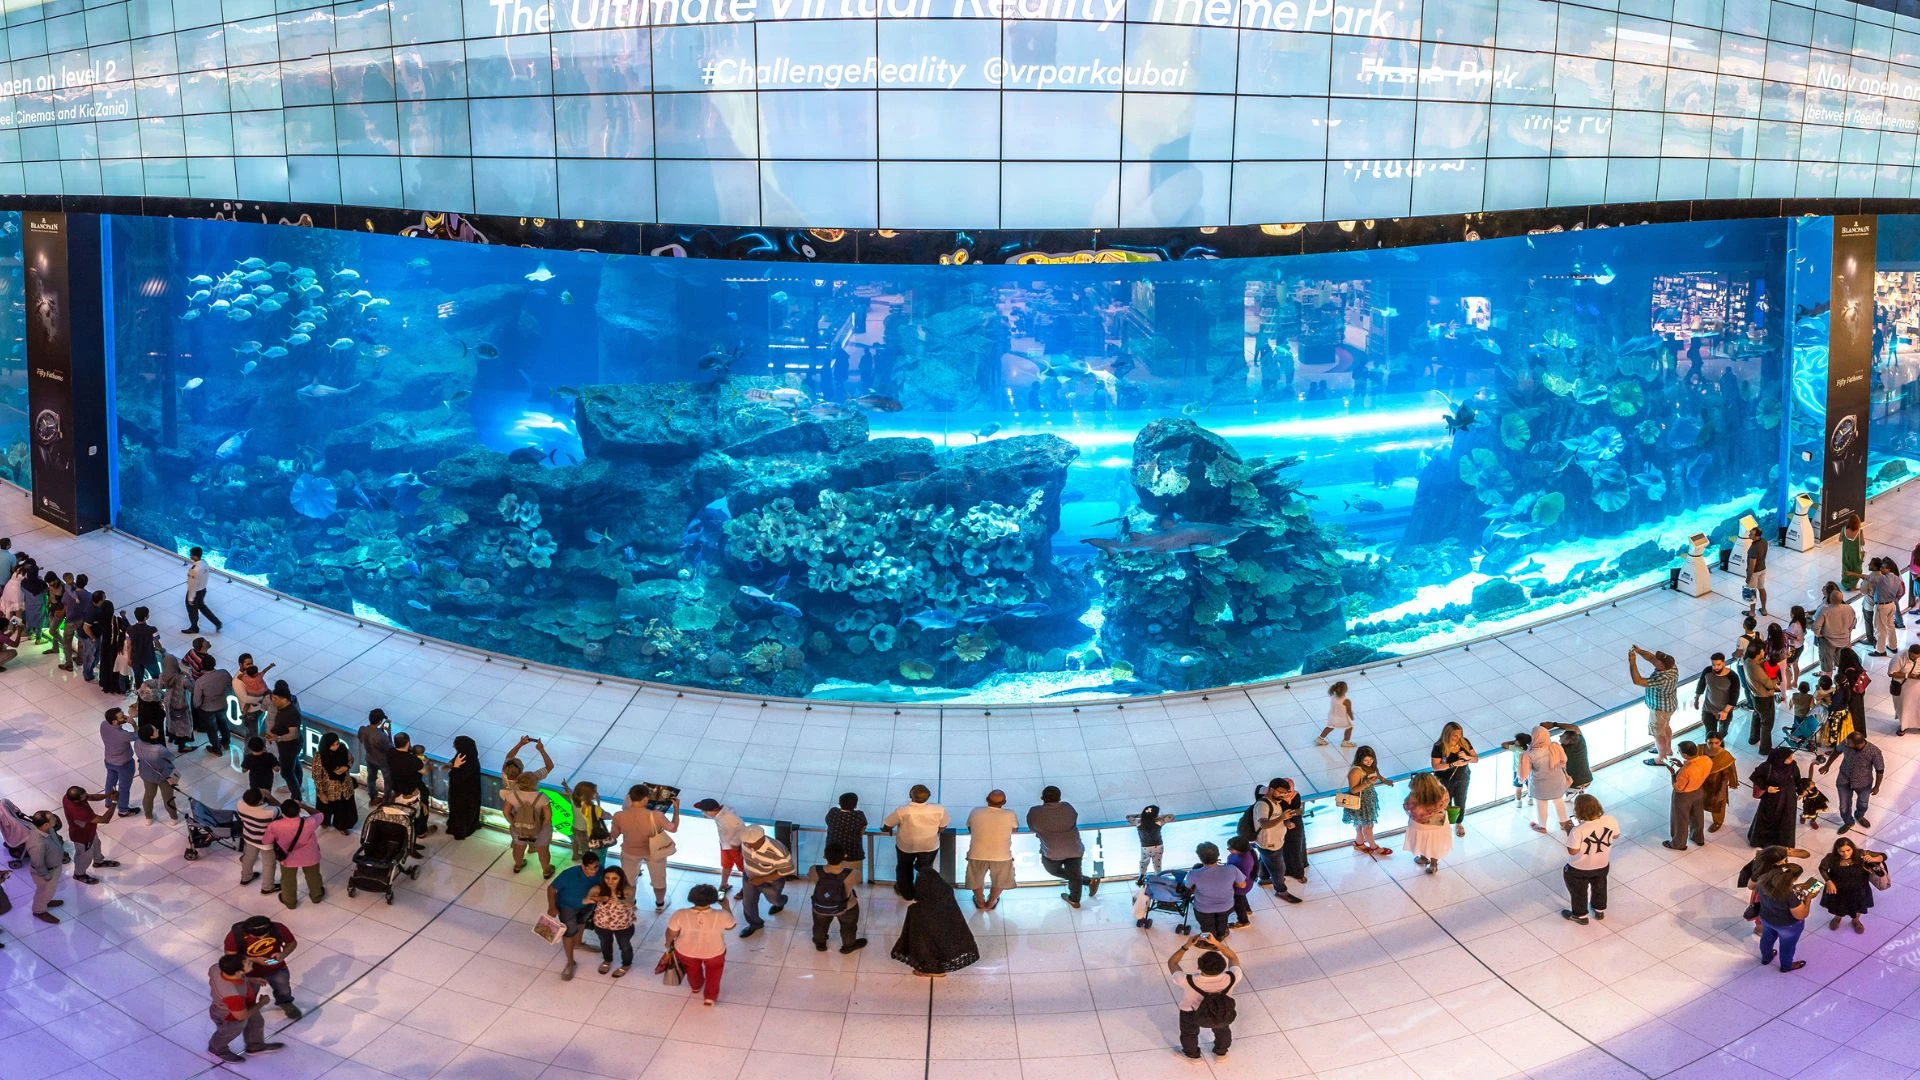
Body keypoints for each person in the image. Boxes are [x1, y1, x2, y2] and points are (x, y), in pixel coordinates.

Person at [890, 869, 978, 976]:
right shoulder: (948, 902)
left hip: (928, 949)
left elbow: (912, 935)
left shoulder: (917, 910)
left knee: (920, 938)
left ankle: (930, 970)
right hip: (951, 947)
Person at [1167, 934, 1241, 1060]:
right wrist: (1217, 943)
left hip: (1191, 1012)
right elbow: (1233, 957)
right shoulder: (1233, 977)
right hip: (1221, 1011)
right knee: (1222, 1030)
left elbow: (1172, 962)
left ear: (1198, 967)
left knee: (1189, 1033)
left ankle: (1193, 1055)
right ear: (1224, 966)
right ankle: (1221, 1052)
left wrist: (1187, 945)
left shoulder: (1187, 980)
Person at [608, 785, 679, 909]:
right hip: (654, 852)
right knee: (659, 880)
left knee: (629, 881)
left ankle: (630, 904)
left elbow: (613, 835)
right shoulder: (656, 815)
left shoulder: (619, 816)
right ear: (646, 799)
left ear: (629, 797)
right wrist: (676, 809)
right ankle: (660, 904)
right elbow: (673, 828)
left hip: (629, 852)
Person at [207, 953, 285, 1063]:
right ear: (238, 972)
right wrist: (262, 1003)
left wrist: (250, 979)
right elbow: (241, 1016)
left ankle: (255, 1046)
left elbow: (227, 977)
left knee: (256, 1022)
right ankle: (217, 1049)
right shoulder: (233, 994)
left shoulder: (217, 968)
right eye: (248, 964)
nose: (251, 963)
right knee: (228, 1033)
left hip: (243, 1006)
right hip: (230, 1017)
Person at [665, 884, 734, 1005]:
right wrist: (726, 906)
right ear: (714, 898)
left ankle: (696, 986)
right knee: (714, 973)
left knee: (692, 969)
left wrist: (668, 942)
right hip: (714, 952)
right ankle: (710, 997)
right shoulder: (722, 915)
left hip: (685, 950)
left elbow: (671, 932)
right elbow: (730, 926)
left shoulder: (680, 914)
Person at [223, 914, 304, 1019]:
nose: (261, 938)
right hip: (249, 970)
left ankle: (285, 1003)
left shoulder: (278, 928)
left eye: (264, 935)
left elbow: (292, 943)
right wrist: (254, 959)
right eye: (256, 937)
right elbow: (230, 955)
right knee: (249, 992)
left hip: (274, 965)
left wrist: (282, 955)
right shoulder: (236, 934)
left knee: (283, 987)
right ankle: (249, 1010)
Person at [500, 735, 556, 878]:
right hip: (538, 827)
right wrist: (541, 750)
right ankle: (546, 870)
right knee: (543, 849)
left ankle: (518, 865)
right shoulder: (536, 787)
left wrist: (514, 823)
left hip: (519, 824)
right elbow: (550, 766)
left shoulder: (507, 779)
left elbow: (506, 812)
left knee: (518, 846)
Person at [880, 784, 948, 901]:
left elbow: (887, 825)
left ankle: (906, 893)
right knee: (926, 869)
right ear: (928, 796)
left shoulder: (902, 811)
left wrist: (886, 830)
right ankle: (923, 892)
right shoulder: (939, 809)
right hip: (930, 846)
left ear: (911, 795)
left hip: (906, 847)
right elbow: (943, 827)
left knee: (904, 869)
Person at [1028, 785, 1092, 908]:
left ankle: (1086, 881)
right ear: (1060, 797)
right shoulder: (1068, 808)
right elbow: (1073, 820)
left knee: (1052, 870)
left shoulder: (1034, 812)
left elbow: (1032, 827)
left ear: (1042, 797)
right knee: (1075, 873)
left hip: (1052, 852)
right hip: (1074, 848)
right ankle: (1075, 898)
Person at [1562, 793, 1619, 925]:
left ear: (1578, 811)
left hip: (1579, 868)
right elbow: (1616, 835)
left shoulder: (1577, 830)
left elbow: (1573, 851)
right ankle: (1599, 909)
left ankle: (1580, 915)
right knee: (1600, 886)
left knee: (1579, 891)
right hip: (1602, 864)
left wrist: (1568, 831)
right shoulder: (1610, 820)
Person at [546, 850, 603, 981]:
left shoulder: (600, 872)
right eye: (592, 868)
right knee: (569, 932)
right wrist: (552, 906)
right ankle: (570, 962)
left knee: (582, 922)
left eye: (597, 866)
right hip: (567, 907)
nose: (595, 870)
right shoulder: (569, 874)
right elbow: (551, 888)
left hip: (588, 905)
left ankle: (579, 943)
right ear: (583, 866)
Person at [1819, 729, 1886, 834]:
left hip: (1863, 782)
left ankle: (1859, 816)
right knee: (1844, 806)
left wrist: (1877, 786)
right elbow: (1836, 751)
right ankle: (1848, 822)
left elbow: (1880, 770)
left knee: (1863, 804)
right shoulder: (1846, 744)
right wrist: (1827, 765)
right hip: (1844, 780)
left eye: (1849, 743)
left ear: (1858, 744)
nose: (1846, 744)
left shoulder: (1874, 752)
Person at [1250, 781, 1305, 903]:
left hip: (1276, 841)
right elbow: (1264, 824)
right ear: (1270, 789)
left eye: (1284, 793)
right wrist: (1282, 818)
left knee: (1266, 861)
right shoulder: (1263, 805)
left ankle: (1263, 879)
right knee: (1279, 869)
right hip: (1268, 843)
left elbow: (1280, 818)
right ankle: (1281, 891)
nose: (1282, 795)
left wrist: (1287, 823)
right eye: (1280, 792)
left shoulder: (1278, 803)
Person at [263, 799, 324, 908]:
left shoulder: (275, 825)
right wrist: (303, 805)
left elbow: (266, 841)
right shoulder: (310, 822)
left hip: (288, 858)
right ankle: (316, 896)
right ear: (299, 811)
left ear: (282, 812)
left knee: (287, 880)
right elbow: (319, 814)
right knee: (313, 876)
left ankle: (290, 902)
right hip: (310, 856)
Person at [809, 842, 868, 953]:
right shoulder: (853, 873)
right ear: (844, 856)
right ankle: (848, 945)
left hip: (820, 905)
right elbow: (857, 881)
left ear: (825, 856)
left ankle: (820, 943)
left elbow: (812, 879)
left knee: (819, 924)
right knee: (848, 926)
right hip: (846, 906)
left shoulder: (814, 870)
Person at [1819, 837, 1886, 934]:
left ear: (1852, 848)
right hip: (1839, 889)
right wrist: (1828, 881)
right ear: (1836, 850)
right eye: (1842, 851)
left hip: (1859, 888)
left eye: (1848, 850)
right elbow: (1822, 868)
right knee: (1838, 905)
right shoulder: (1831, 858)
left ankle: (1855, 920)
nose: (1846, 854)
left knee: (1858, 906)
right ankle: (1838, 918)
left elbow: (1883, 856)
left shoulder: (1861, 854)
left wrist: (1873, 858)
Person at [1754, 864, 1814, 972]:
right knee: (1787, 946)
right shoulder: (1789, 896)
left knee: (1766, 938)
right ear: (1793, 879)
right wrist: (1808, 898)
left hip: (1766, 918)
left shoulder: (1762, 883)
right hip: (1787, 926)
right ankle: (1786, 966)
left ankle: (1766, 958)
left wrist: (1794, 887)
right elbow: (1801, 915)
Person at [737, 824, 794, 936]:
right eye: (745, 842)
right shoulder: (746, 842)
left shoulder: (778, 851)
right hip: (749, 878)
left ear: (762, 839)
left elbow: (787, 871)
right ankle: (755, 924)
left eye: (750, 844)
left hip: (771, 882)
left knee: (774, 900)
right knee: (748, 903)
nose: (747, 845)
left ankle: (780, 902)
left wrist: (762, 879)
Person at [964, 789, 1017, 909]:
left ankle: (980, 901)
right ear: (1004, 802)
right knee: (1000, 880)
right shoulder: (1010, 814)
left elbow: (970, 828)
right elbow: (1014, 830)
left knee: (976, 879)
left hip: (976, 853)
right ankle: (992, 901)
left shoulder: (976, 811)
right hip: (1002, 855)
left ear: (987, 799)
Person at [1629, 645, 1680, 762]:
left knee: (1658, 733)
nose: (1654, 658)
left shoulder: (1663, 678)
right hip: (1669, 705)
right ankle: (1667, 749)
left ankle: (1661, 758)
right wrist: (1639, 651)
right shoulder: (1672, 667)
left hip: (1659, 710)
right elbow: (1651, 658)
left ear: (1661, 665)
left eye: (1658, 659)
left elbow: (1638, 681)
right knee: (1666, 726)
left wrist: (1632, 662)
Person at [1518, 723, 1572, 834]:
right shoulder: (1555, 746)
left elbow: (1524, 773)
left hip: (1541, 785)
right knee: (1558, 800)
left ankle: (1542, 826)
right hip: (1558, 781)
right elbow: (1564, 760)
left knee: (1541, 803)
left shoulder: (1529, 754)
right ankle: (1564, 822)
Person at [586, 864, 638, 977]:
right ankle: (607, 960)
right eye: (607, 878)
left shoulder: (628, 889)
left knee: (624, 946)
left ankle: (626, 964)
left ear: (621, 878)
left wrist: (620, 900)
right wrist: (601, 898)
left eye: (614, 878)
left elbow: (630, 902)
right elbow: (587, 899)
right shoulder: (598, 889)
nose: (610, 881)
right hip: (602, 924)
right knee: (605, 943)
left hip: (622, 925)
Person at [1186, 842, 1245, 939]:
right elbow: (1242, 885)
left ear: (1200, 858)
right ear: (1218, 855)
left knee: (1206, 927)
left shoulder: (1193, 874)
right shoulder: (1232, 869)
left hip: (1203, 909)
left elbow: (1188, 888)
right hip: (1226, 906)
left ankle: (1209, 942)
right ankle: (1221, 935)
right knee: (1222, 922)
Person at [61, 786, 118, 884]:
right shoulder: (78, 811)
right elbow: (105, 819)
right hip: (82, 837)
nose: (86, 796)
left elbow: (91, 797)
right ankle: (79, 874)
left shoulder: (68, 797)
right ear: (76, 801)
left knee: (96, 844)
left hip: (89, 830)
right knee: (84, 856)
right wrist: (114, 802)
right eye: (83, 796)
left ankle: (98, 862)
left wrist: (108, 795)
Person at [1430, 722, 1478, 837]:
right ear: (1447, 735)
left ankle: (1458, 823)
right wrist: (1453, 764)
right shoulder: (1439, 746)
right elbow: (1435, 766)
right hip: (1445, 779)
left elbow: (1476, 759)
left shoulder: (1464, 742)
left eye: (1460, 734)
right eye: (1455, 735)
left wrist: (1467, 758)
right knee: (1443, 803)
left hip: (1463, 777)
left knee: (1461, 801)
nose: (1458, 737)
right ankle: (1442, 826)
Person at [1749, 748, 1802, 848]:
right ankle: (1762, 842)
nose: (1791, 759)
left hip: (1788, 799)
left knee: (1786, 821)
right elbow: (1756, 777)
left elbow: (1797, 779)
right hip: (1772, 799)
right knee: (1767, 820)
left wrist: (1801, 790)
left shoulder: (1792, 766)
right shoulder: (1767, 767)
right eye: (1789, 757)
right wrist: (1766, 787)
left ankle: (1782, 844)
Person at [1344, 747, 1393, 855]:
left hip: (1368, 799)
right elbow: (1353, 789)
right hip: (1361, 802)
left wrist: (1385, 781)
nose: (1369, 762)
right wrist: (1367, 783)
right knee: (1368, 827)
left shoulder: (1372, 767)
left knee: (1360, 825)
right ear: (1360, 759)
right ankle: (1375, 847)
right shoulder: (1356, 770)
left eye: (1371, 759)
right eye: (1366, 760)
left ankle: (1359, 844)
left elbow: (1378, 775)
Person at [1662, 740, 1710, 851]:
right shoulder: (1706, 760)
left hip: (1683, 797)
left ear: (1685, 755)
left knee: (1681, 820)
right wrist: (1682, 764)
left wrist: (1673, 773)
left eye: (1679, 752)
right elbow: (1696, 768)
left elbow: (1678, 787)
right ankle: (1698, 838)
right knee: (1698, 816)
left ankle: (1678, 844)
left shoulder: (1686, 771)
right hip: (1698, 791)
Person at [693, 798, 746, 897]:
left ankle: (746, 889)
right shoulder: (718, 814)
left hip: (735, 848)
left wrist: (735, 844)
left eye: (703, 811)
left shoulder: (730, 817)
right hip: (725, 845)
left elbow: (742, 829)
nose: (703, 813)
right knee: (726, 866)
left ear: (711, 810)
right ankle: (723, 885)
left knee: (744, 870)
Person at [1403, 772, 1452, 873]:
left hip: (1419, 825)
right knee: (1435, 843)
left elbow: (1407, 807)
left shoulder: (1413, 795)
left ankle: (1423, 858)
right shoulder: (1442, 790)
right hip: (1438, 823)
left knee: (1422, 841)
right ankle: (1433, 865)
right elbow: (1446, 802)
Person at [310, 733, 358, 833]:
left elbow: (350, 759)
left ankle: (342, 826)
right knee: (326, 806)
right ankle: (325, 821)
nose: (336, 746)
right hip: (329, 788)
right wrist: (321, 792)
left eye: (337, 743)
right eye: (333, 745)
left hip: (344, 785)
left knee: (344, 808)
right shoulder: (320, 757)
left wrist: (346, 767)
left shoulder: (343, 750)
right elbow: (317, 775)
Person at [24, 811, 65, 923]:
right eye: (52, 818)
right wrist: (46, 875)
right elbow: (38, 863)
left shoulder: (48, 829)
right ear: (45, 824)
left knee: (48, 890)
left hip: (54, 867)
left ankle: (46, 900)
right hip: (46, 872)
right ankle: (39, 911)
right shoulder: (37, 843)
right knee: (43, 891)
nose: (55, 819)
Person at [236, 788, 279, 893]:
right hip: (266, 842)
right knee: (268, 863)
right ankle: (267, 887)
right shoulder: (270, 812)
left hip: (249, 836)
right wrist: (269, 796)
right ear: (260, 801)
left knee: (248, 858)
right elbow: (282, 808)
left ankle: (245, 878)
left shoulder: (240, 804)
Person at [135, 723, 179, 821]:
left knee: (148, 796)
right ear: (151, 736)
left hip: (146, 774)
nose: (158, 730)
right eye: (155, 730)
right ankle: (173, 818)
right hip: (163, 776)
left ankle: (148, 817)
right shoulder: (159, 749)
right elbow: (172, 757)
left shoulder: (137, 742)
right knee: (168, 798)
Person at [1693, 653, 1741, 743]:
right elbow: (1701, 684)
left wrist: (1726, 711)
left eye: (1718, 664)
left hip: (1725, 710)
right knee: (1710, 734)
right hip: (1708, 709)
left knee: (1722, 732)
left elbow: (1735, 695)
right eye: (1713, 665)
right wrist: (1696, 699)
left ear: (1724, 663)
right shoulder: (1708, 671)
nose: (1715, 667)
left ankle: (1719, 747)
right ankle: (1709, 752)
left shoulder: (1732, 676)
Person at [267, 682, 303, 797]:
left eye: (275, 698)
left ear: (284, 699)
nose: (273, 700)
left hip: (289, 747)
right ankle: (299, 785)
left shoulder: (291, 713)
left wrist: (278, 737)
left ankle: (296, 796)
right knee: (295, 763)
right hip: (288, 746)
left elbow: (293, 734)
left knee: (286, 772)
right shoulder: (283, 709)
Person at [563, 778, 610, 863]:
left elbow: (570, 792)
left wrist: (565, 785)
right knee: (588, 848)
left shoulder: (574, 799)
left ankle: (577, 855)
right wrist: (598, 802)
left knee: (577, 842)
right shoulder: (591, 807)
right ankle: (589, 862)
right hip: (586, 831)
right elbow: (606, 815)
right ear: (589, 795)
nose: (596, 793)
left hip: (576, 827)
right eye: (595, 792)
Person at [100, 707, 136, 816]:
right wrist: (133, 724)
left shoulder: (104, 725)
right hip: (124, 763)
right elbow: (137, 736)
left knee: (110, 783)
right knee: (124, 787)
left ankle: (108, 802)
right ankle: (123, 810)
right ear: (114, 721)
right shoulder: (123, 735)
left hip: (109, 760)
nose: (124, 717)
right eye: (122, 716)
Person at [1745, 642, 1780, 754]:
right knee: (1767, 723)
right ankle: (1765, 749)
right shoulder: (1755, 668)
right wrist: (1776, 679)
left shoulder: (1747, 661)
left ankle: (1753, 738)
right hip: (1764, 697)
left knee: (1757, 715)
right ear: (1758, 653)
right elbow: (1769, 684)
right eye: (1762, 651)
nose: (1764, 652)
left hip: (1755, 696)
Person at [1814, 583, 1857, 674]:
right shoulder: (1849, 608)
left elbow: (1816, 627)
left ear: (1829, 597)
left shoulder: (1824, 610)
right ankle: (1841, 683)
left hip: (1827, 642)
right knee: (1842, 664)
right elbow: (1853, 624)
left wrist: (1819, 634)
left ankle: (1827, 686)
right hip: (1844, 641)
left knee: (1827, 668)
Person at [445, 735, 482, 839]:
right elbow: (456, 759)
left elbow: (458, 777)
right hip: (468, 792)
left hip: (464, 794)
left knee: (461, 812)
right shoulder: (469, 756)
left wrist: (455, 767)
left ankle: (461, 831)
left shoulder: (470, 763)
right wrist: (451, 764)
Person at [1703, 735, 1741, 833]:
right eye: (1710, 743)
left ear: (1721, 742)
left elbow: (1726, 775)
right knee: (1698, 801)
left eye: (1716, 743)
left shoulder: (1725, 756)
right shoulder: (1699, 750)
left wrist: (1722, 790)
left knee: (1717, 804)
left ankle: (1718, 822)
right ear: (1706, 741)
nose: (1713, 745)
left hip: (1716, 784)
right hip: (1700, 782)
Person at [1128, 804, 1173, 881]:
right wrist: (1159, 817)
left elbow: (1128, 817)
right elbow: (1171, 816)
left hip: (1146, 847)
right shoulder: (1159, 822)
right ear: (1155, 815)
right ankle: (1158, 878)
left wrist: (1141, 816)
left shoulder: (1139, 822)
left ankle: (1141, 877)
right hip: (1158, 846)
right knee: (1157, 864)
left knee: (1143, 863)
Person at [183, 545, 222, 633]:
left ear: (195, 556)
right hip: (203, 589)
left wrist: (190, 598)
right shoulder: (204, 563)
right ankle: (217, 623)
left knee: (192, 610)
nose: (190, 556)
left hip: (195, 592)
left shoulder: (195, 569)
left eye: (191, 555)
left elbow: (192, 585)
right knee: (202, 607)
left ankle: (194, 627)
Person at [357, 709, 392, 803]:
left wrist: (380, 731)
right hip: (383, 761)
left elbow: (361, 739)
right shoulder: (381, 736)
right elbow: (390, 747)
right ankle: (386, 800)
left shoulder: (362, 729)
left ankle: (373, 797)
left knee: (371, 778)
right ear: (380, 721)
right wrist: (388, 732)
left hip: (369, 758)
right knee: (388, 780)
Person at [824, 792, 867, 868]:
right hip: (853, 853)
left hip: (833, 854)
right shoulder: (859, 815)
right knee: (853, 876)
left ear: (839, 803)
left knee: (833, 877)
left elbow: (828, 821)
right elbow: (862, 830)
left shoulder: (833, 812)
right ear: (855, 805)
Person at [233, 654, 272, 737]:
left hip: (259, 708)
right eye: (247, 664)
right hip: (251, 713)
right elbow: (245, 698)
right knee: (252, 737)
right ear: (240, 665)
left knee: (259, 730)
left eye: (251, 663)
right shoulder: (237, 681)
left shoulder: (253, 673)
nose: (250, 666)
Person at [1223, 837, 1258, 927]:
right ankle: (1247, 909)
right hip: (1246, 885)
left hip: (1240, 887)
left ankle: (1243, 921)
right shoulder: (1245, 854)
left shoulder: (1244, 862)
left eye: (1230, 849)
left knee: (1238, 904)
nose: (1228, 850)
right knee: (1241, 898)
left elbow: (1241, 883)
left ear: (1239, 849)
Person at [1314, 681, 1356, 746]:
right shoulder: (1346, 701)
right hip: (1341, 718)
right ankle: (1346, 742)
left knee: (1330, 727)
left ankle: (1320, 738)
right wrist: (1352, 717)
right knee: (1349, 727)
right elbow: (1349, 711)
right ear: (1345, 690)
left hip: (1332, 716)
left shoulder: (1334, 696)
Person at [126, 606, 159, 686]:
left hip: (136, 658)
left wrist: (129, 658)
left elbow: (128, 645)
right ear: (146, 617)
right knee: (157, 677)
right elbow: (157, 643)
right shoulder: (153, 629)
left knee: (138, 678)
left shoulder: (129, 629)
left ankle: (140, 694)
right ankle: (156, 694)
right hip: (149, 657)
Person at [1746, 525, 1770, 616]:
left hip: (1755, 572)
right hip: (1763, 569)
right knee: (1761, 588)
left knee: (1752, 591)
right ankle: (1764, 609)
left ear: (1756, 536)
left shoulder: (1754, 548)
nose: (1749, 535)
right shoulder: (1764, 541)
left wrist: (1748, 578)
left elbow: (1752, 565)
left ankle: (1752, 612)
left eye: (1751, 534)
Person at [1896, 646, 1920, 735]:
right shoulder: (1899, 657)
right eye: (1913, 657)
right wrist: (1908, 675)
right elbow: (1891, 673)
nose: (1915, 659)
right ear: (1909, 652)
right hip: (1906, 686)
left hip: (1918, 686)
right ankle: (1903, 726)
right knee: (1906, 706)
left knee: (1918, 707)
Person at [1841, 515, 1865, 593]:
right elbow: (1862, 543)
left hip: (1846, 553)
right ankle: (1852, 585)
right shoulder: (1859, 531)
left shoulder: (1844, 529)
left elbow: (1840, 539)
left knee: (1846, 567)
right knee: (1856, 569)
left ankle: (1845, 584)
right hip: (1855, 554)